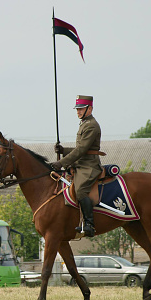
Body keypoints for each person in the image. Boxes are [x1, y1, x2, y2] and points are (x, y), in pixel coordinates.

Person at [51, 95, 103, 237]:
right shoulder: (84, 123)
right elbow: (79, 148)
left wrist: (61, 163)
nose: (78, 112)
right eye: (77, 109)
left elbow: (82, 150)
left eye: (81, 109)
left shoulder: (91, 125)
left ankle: (89, 224)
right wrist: (63, 151)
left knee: (80, 190)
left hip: (89, 165)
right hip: (82, 162)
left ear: (90, 108)